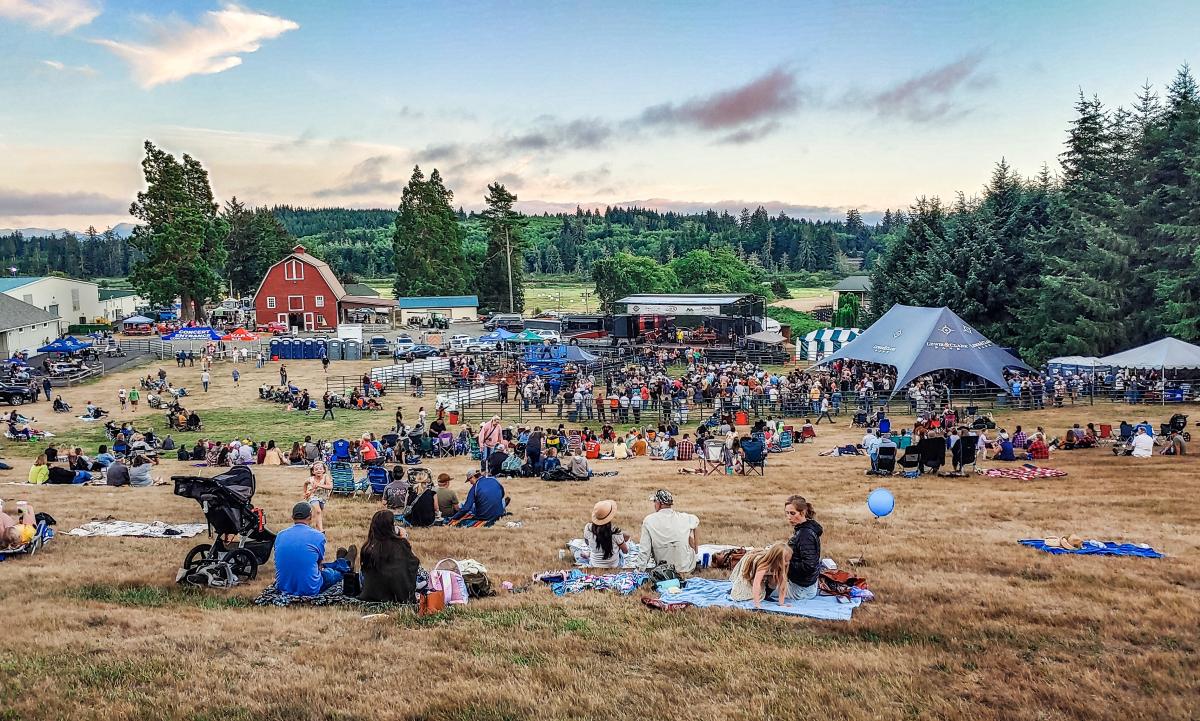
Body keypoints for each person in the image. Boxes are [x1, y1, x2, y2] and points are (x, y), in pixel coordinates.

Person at [273, 502, 354, 596]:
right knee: (332, 574)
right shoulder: (318, 536)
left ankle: (343, 562)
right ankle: (346, 565)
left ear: (292, 516)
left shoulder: (280, 535)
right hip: (310, 588)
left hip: (283, 586)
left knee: (321, 566)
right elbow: (319, 565)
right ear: (310, 516)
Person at [357, 509, 421, 603]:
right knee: (423, 574)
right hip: (398, 594)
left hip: (372, 593)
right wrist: (404, 539)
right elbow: (414, 564)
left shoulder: (367, 547)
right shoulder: (400, 545)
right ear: (391, 527)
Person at [634, 489, 699, 573]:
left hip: (664, 569)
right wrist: (695, 549)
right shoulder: (685, 517)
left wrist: (640, 569)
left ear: (659, 504)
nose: (654, 505)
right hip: (685, 567)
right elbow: (696, 522)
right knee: (688, 535)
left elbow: (644, 550)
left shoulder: (649, 520)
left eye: (655, 502)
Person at [729, 544, 792, 609]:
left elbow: (782, 585)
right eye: (786, 561)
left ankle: (767, 595)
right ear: (777, 559)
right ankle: (734, 589)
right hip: (750, 564)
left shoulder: (782, 566)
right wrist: (757, 604)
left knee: (774, 580)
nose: (788, 563)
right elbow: (757, 583)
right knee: (745, 590)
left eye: (789, 560)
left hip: (770, 567)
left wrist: (781, 603)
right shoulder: (764, 565)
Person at [784, 495, 821, 601]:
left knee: (758, 585)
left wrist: (785, 563)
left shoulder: (805, 535)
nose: (789, 517)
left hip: (801, 590)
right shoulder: (804, 529)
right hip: (803, 585)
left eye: (792, 513)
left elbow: (809, 565)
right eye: (787, 513)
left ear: (803, 512)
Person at [584, 500, 629, 569]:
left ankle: (588, 555)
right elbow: (625, 551)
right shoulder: (615, 532)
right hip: (614, 565)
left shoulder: (588, 528)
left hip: (594, 564)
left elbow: (587, 543)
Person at [305, 461, 333, 531]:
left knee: (318, 512)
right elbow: (305, 484)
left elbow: (330, 487)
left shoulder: (325, 477)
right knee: (318, 511)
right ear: (313, 471)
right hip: (312, 496)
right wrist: (305, 492)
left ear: (324, 470)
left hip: (323, 498)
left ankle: (315, 526)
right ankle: (321, 530)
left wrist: (319, 485)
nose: (318, 470)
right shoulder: (311, 479)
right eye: (316, 469)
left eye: (320, 468)